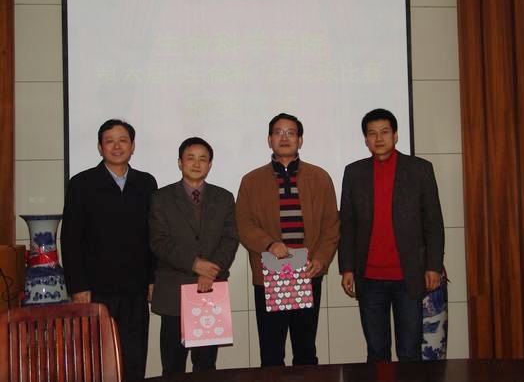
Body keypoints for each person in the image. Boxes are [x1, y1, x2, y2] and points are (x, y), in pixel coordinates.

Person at [338, 108, 445, 362]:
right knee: (377, 351)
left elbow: (433, 223)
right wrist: (347, 268)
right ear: (365, 139)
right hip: (369, 278)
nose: (379, 138)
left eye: (384, 132)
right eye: (372, 133)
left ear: (395, 135)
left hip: (409, 276)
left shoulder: (420, 169)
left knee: (409, 351)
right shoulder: (354, 173)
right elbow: (348, 225)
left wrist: (433, 266)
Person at [236, 113, 340, 367]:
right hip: (269, 276)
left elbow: (331, 226)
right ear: (269, 140)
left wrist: (321, 260)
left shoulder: (320, 178)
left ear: (300, 140)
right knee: (271, 354)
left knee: (305, 351)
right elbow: (243, 224)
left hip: (307, 273)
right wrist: (269, 244)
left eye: (291, 132)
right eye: (278, 132)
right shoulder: (251, 181)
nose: (284, 138)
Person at [61, 119, 158, 382]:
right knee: (98, 358)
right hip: (96, 289)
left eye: (123, 140)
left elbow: (154, 235)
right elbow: (70, 239)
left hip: (136, 288)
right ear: (100, 147)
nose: (117, 147)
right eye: (109, 141)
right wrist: (78, 285)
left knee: (134, 357)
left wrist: (153, 278)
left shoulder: (146, 182)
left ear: (133, 146)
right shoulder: (82, 183)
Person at [149, 137, 238, 375]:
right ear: (180, 162)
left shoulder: (224, 197)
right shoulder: (161, 198)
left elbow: (230, 239)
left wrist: (211, 271)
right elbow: (159, 242)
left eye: (203, 159)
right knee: (172, 367)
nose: (196, 164)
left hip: (210, 291)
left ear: (210, 165)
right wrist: (195, 264)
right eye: (190, 158)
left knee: (206, 366)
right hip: (173, 294)